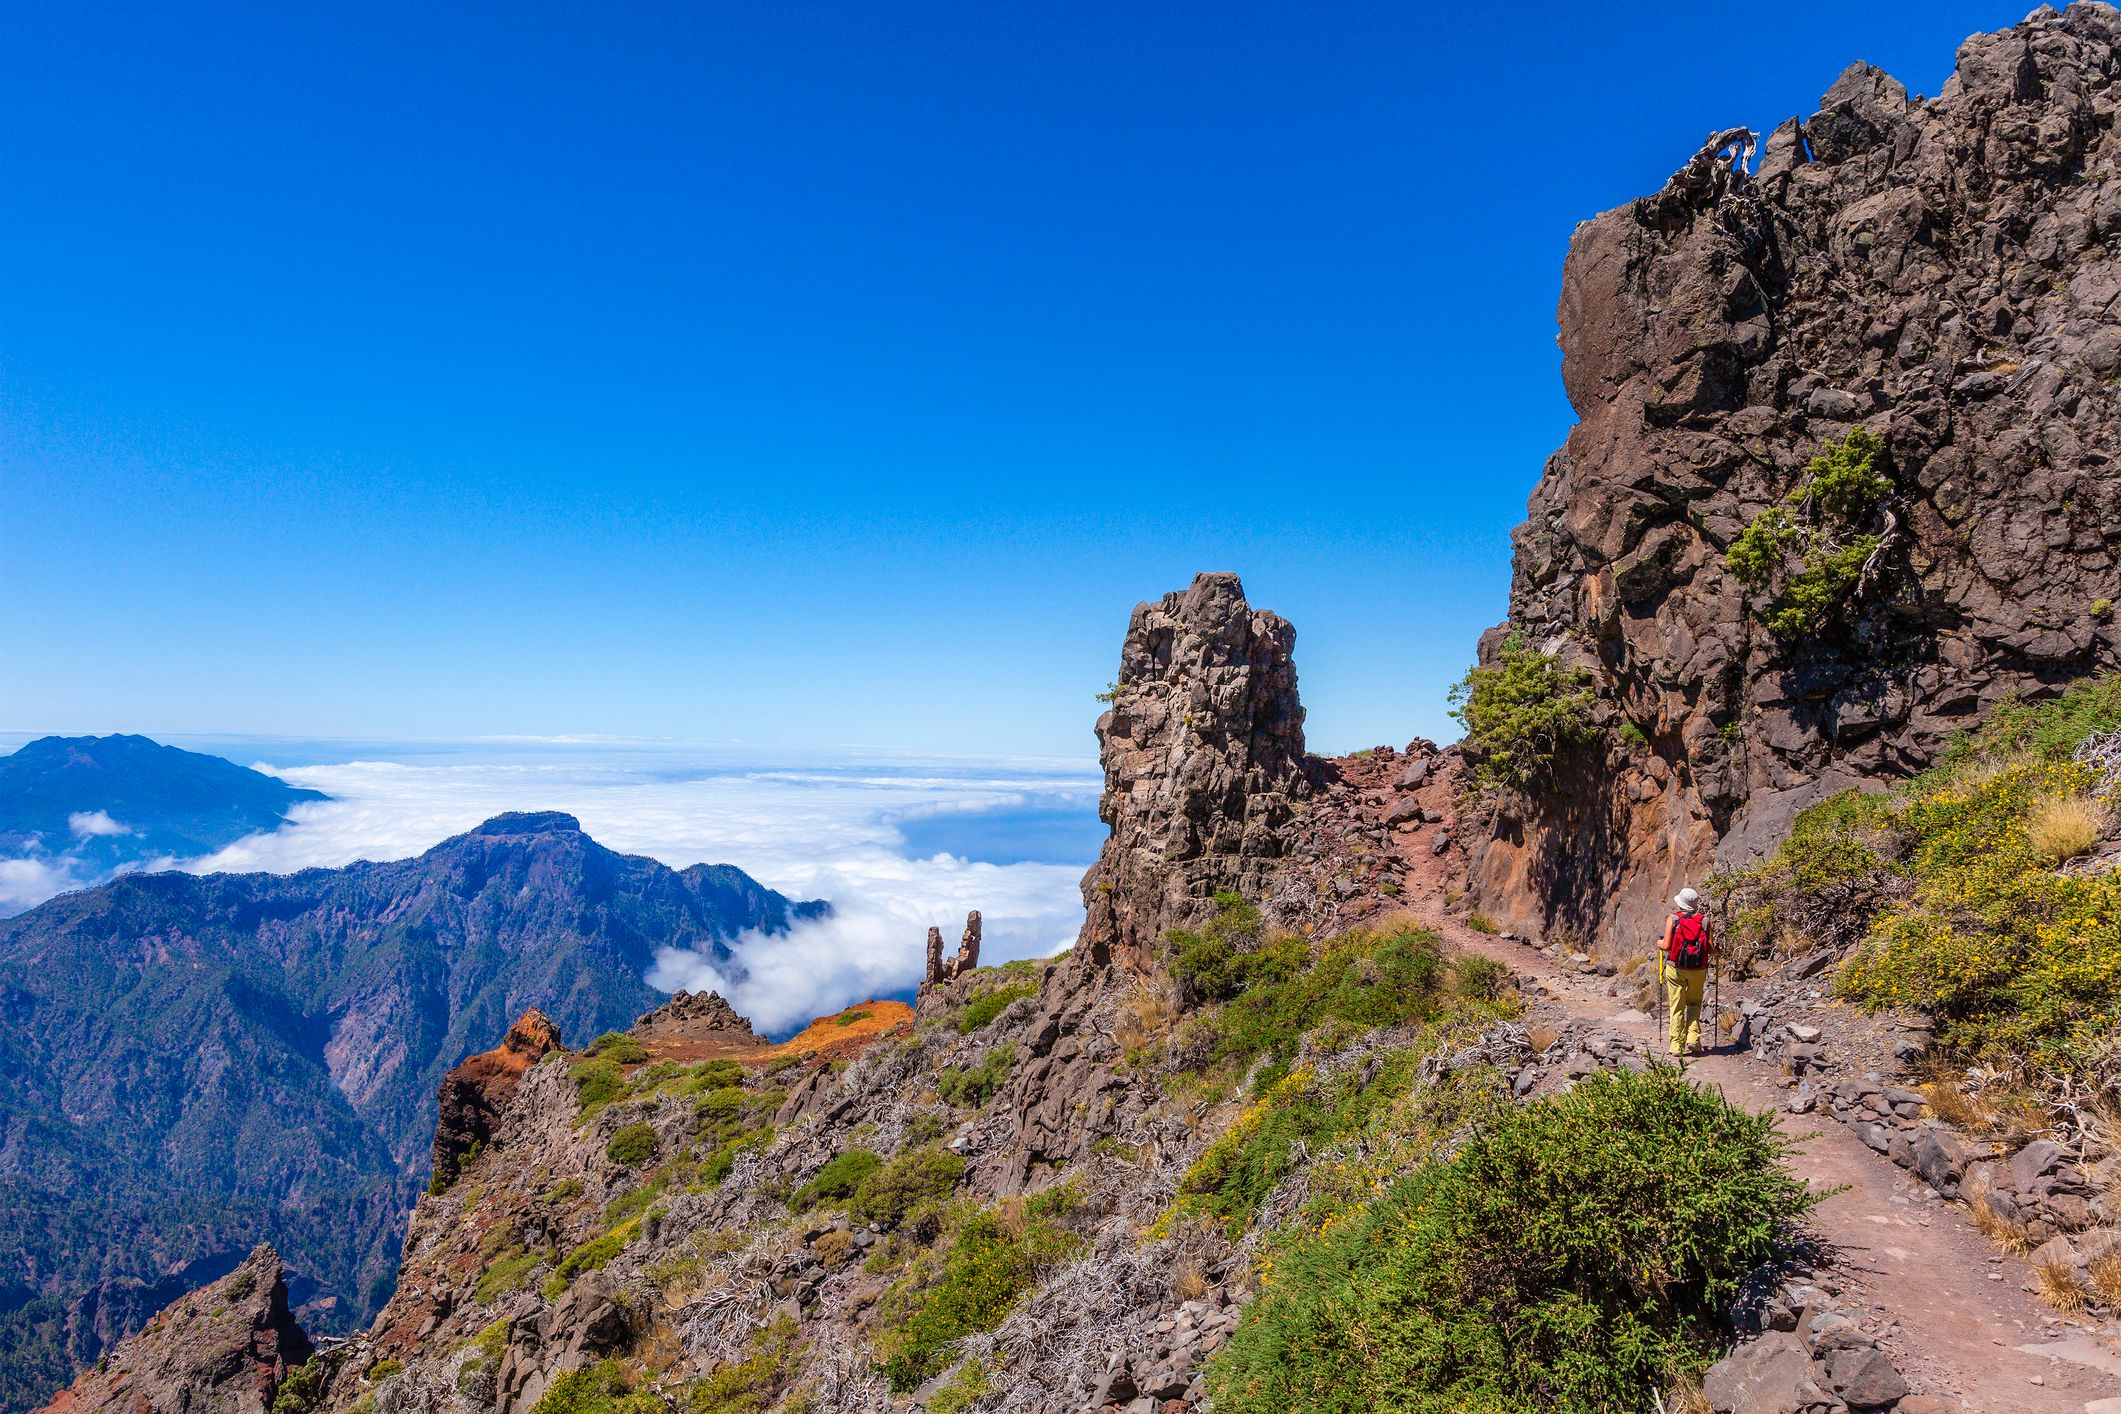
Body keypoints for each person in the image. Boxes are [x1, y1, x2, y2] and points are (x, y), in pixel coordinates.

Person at [1659, 887, 1713, 1059]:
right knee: (1695, 1003)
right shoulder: (1704, 921)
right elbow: (1710, 949)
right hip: (1698, 968)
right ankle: (1693, 1039)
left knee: (1677, 1006)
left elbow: (1666, 946)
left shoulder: (1673, 919)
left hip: (1676, 967)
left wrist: (1658, 942)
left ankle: (1676, 1045)